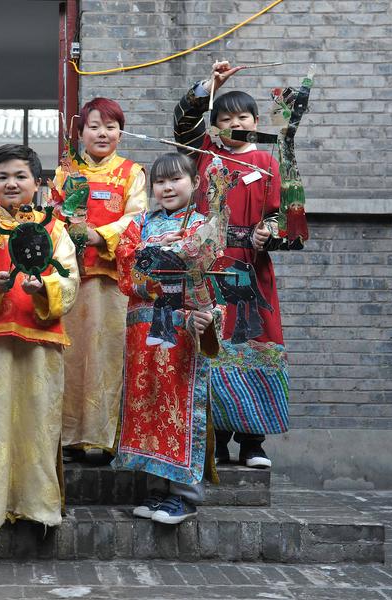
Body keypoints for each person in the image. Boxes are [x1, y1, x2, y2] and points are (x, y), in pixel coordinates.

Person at [0, 144, 80, 535]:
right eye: (2, 177)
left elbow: (70, 278)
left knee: (39, 422)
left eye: (20, 176)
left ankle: (40, 507)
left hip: (40, 339)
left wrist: (44, 287)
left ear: (38, 182)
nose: (11, 183)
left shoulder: (55, 230)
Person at [174, 60, 289, 469]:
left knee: (255, 345)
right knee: (214, 348)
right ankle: (216, 441)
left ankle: (253, 443)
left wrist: (268, 231)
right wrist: (211, 86)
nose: (234, 123)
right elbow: (184, 123)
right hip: (210, 270)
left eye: (243, 116)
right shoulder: (203, 154)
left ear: (256, 120)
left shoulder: (269, 160)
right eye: (225, 118)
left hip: (252, 270)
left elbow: (284, 214)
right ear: (216, 125)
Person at [114, 152, 221, 525]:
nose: (167, 187)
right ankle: (158, 488)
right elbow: (127, 269)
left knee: (180, 403)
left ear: (194, 183)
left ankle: (185, 494)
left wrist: (162, 261)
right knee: (148, 405)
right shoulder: (139, 223)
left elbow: (204, 277)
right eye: (160, 181)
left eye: (176, 180)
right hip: (142, 333)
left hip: (183, 332)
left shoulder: (205, 225)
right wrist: (164, 259)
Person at [52, 97, 148, 463]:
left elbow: (136, 219)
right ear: (81, 133)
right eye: (94, 126)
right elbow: (52, 215)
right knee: (71, 356)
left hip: (111, 281)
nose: (102, 133)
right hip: (71, 279)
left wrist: (99, 235)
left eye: (110, 126)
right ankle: (70, 437)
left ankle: (104, 437)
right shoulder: (65, 171)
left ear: (120, 132)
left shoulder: (131, 173)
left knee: (106, 356)